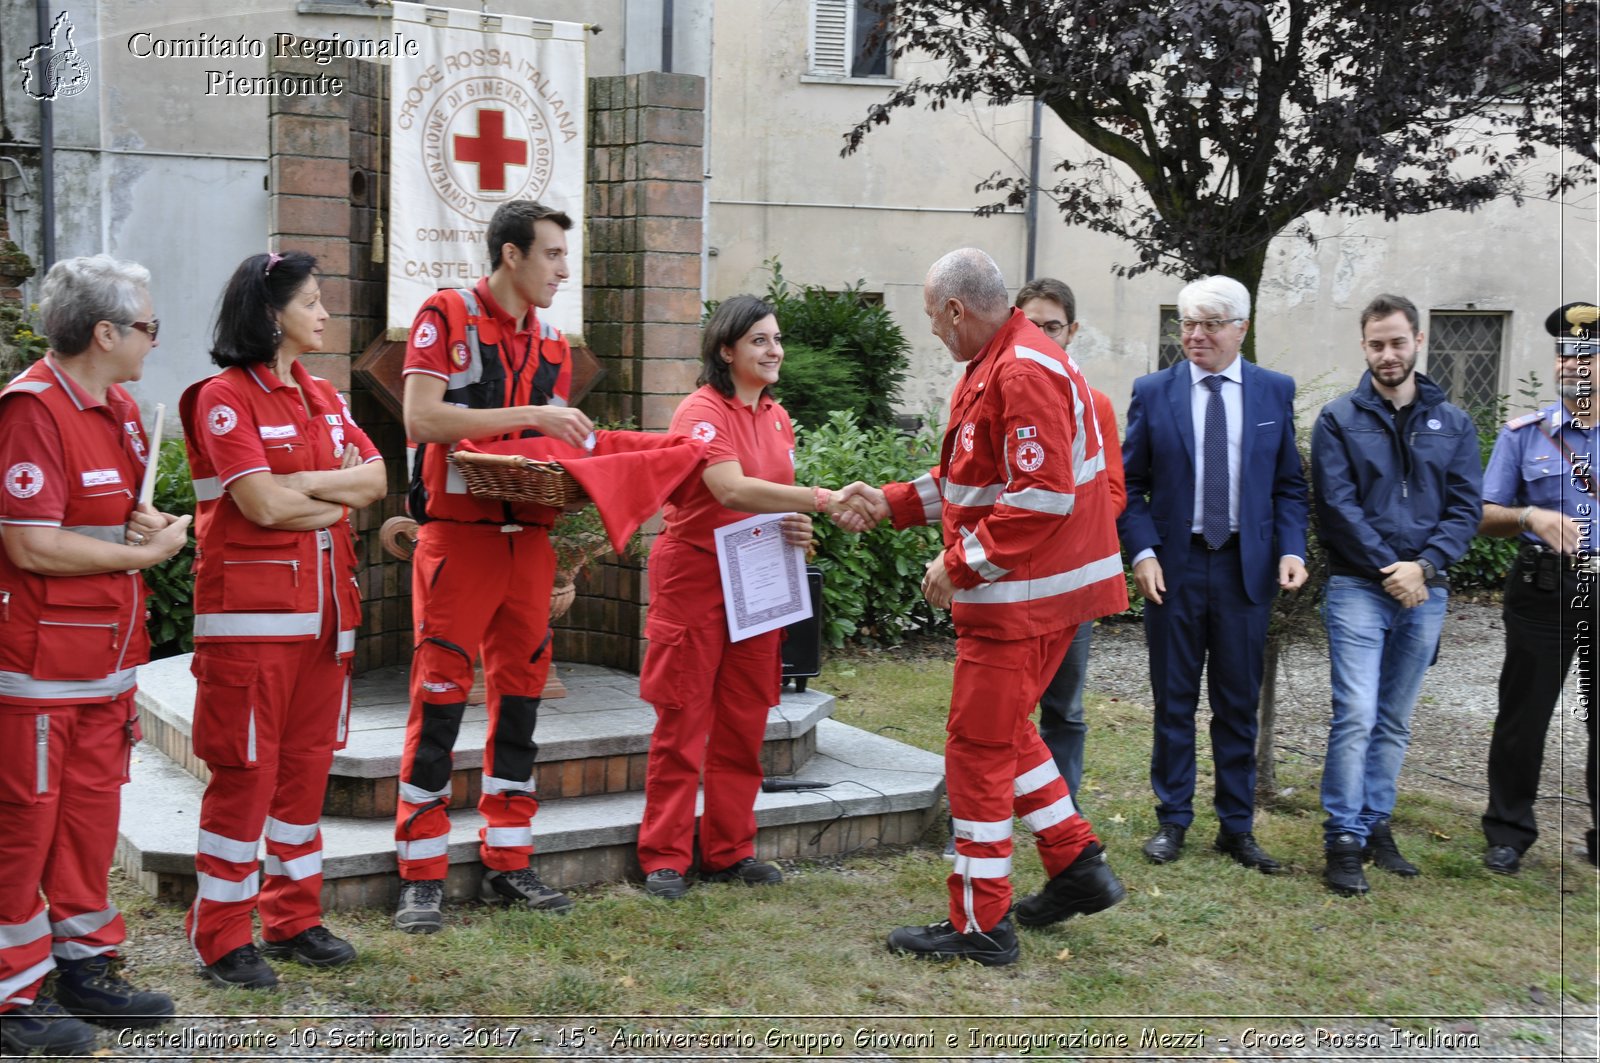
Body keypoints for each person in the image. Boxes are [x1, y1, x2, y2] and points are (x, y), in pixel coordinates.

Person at [842, 248, 1128, 967]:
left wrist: (961, 559)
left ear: (956, 309)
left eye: (935, 321)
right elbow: (975, 475)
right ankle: (1075, 862)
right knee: (1006, 732)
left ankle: (980, 922)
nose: (935, 334)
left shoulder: (1020, 368)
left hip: (1022, 597)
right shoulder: (1002, 362)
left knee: (977, 747)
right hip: (1033, 593)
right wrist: (895, 501)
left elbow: (1042, 494)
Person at [180, 251, 386, 988]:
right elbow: (259, 505)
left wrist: (302, 486)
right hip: (253, 629)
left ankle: (293, 917)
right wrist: (326, 500)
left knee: (303, 779)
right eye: (312, 301)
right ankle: (222, 934)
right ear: (271, 316)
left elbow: (377, 478)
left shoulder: (325, 395)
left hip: (327, 626)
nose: (325, 313)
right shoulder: (221, 398)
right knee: (245, 778)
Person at [0, 256, 187, 1055]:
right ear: (104, 332)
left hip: (103, 666)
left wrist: (145, 525)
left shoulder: (121, 409)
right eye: (148, 325)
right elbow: (32, 543)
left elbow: (107, 513)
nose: (155, 339)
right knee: (23, 827)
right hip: (37, 669)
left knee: (87, 820)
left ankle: (82, 962)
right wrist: (144, 559)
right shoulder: (30, 411)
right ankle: (11, 995)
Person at [393, 200, 595, 933]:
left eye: (564, 256)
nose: (562, 270)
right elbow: (421, 417)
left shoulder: (551, 342)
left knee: (521, 705)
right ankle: (419, 873)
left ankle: (510, 859)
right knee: (440, 702)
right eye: (551, 255)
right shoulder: (445, 312)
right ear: (511, 255)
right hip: (460, 540)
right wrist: (540, 419)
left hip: (529, 545)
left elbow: (547, 452)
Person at [636, 295, 866, 901]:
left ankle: (729, 849)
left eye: (777, 339)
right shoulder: (700, 412)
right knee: (683, 721)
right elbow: (730, 489)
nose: (775, 350)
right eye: (760, 340)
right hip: (695, 581)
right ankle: (664, 856)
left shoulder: (777, 417)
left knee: (743, 721)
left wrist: (799, 527)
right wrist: (817, 500)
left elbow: (768, 500)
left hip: (757, 580)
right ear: (726, 349)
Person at [1118, 275, 1308, 873]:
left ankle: (1236, 827)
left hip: (1244, 571)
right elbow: (1129, 487)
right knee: (1173, 701)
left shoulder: (1274, 392)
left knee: (1236, 703)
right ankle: (1172, 821)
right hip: (1172, 569)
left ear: (1241, 330)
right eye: (1187, 324)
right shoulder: (1154, 391)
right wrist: (1142, 553)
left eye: (1209, 324)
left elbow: (1288, 486)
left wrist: (1291, 547)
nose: (1195, 335)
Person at [1310, 294, 1482, 895]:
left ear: (1418, 342)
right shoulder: (1338, 418)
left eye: (1397, 342)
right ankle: (1343, 838)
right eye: (1377, 344)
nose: (1388, 354)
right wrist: (1393, 567)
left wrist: (1426, 566)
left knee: (1394, 719)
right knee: (1355, 713)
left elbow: (1464, 509)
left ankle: (1376, 823)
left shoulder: (1454, 423)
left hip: (1426, 592)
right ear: (1364, 347)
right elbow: (1337, 506)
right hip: (1360, 586)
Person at [1477, 300, 1598, 874]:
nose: (1576, 365)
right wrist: (1529, 516)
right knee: (1524, 715)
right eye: (1566, 354)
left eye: (1589, 355)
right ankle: (1508, 831)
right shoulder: (1525, 435)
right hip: (1542, 588)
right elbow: (1482, 514)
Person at [1016, 278, 1126, 798]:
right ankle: (978, 810)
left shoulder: (1094, 405)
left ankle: (1064, 815)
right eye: (1029, 324)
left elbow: (1112, 493)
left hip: (1069, 581)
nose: (1040, 335)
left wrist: (1065, 529)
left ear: (1072, 331)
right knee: (1001, 704)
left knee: (1065, 706)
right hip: (1009, 577)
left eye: (1051, 327)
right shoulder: (1000, 393)